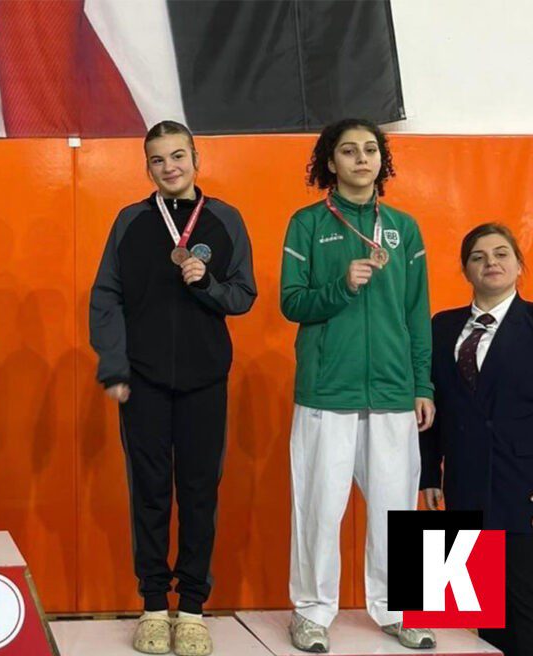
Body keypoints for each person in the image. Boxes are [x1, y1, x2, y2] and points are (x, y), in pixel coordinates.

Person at [90, 120, 256, 655]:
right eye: (158, 160)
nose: (170, 167)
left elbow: (244, 295)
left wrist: (207, 285)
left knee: (200, 493)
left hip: (205, 380)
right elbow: (106, 296)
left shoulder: (225, 219)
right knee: (150, 492)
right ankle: (153, 606)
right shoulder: (131, 221)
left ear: (195, 159)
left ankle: (193, 609)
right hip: (143, 381)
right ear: (147, 167)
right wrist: (115, 368)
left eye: (178, 156)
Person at [279, 118, 436, 652]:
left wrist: (422, 384)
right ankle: (311, 612)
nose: (362, 158)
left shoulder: (404, 228)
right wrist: (340, 286)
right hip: (327, 390)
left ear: (380, 161)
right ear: (331, 162)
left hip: (393, 390)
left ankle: (401, 609)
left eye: (370, 149)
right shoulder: (306, 224)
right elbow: (291, 303)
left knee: (398, 510)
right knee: (319, 508)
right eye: (349, 151)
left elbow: (417, 314)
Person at [421, 223, 533, 656]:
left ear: (519, 265)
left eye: (502, 253)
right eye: (478, 256)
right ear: (465, 269)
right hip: (458, 487)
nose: (491, 263)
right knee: (455, 626)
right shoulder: (441, 325)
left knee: (524, 618)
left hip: (522, 488)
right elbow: (427, 404)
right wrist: (428, 474)